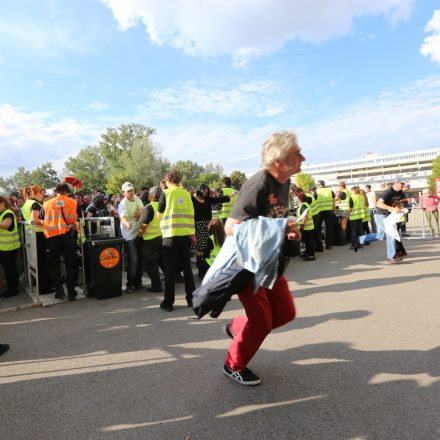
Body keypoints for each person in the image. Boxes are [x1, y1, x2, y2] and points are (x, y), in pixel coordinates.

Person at [221, 130, 303, 386]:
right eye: (296, 153)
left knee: (286, 313)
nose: (303, 156)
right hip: (249, 266)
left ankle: (238, 326)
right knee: (262, 322)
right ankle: (233, 364)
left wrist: (289, 229)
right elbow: (230, 227)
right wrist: (277, 229)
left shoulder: (284, 182)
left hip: (272, 263)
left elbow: (275, 217)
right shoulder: (259, 183)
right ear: (279, 162)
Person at [157, 169, 196, 311]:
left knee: (169, 270)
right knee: (187, 269)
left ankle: (168, 303)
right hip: (185, 235)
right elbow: (191, 212)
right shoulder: (186, 194)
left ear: (167, 180)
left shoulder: (166, 193)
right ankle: (192, 300)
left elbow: (159, 215)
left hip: (170, 236)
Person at [42, 182, 79, 300]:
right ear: (66, 191)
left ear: (55, 192)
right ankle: (71, 291)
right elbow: (74, 218)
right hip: (68, 236)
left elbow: (42, 219)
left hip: (52, 237)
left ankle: (59, 291)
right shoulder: (73, 202)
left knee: (54, 265)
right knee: (71, 264)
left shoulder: (46, 204)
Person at [192, 183, 230, 279]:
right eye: (204, 191)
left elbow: (218, 199)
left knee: (207, 248)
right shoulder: (192, 200)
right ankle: (201, 269)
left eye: (207, 192)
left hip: (207, 226)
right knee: (200, 249)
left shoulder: (208, 200)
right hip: (197, 226)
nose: (205, 193)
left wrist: (230, 196)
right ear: (199, 190)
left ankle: (205, 269)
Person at [21, 185, 51, 294]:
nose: (42, 194)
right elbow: (36, 220)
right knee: (42, 262)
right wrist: (49, 222)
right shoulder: (35, 204)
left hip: (31, 235)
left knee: (36, 262)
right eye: (41, 192)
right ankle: (44, 288)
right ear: (35, 193)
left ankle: (39, 285)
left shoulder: (26, 204)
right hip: (38, 234)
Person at [118, 182, 144, 293]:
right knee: (133, 260)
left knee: (141, 260)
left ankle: (138, 283)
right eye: (128, 191)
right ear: (123, 192)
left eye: (132, 190)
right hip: (129, 235)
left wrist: (139, 215)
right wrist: (127, 223)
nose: (131, 193)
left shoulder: (138, 200)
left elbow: (142, 212)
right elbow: (122, 217)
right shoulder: (122, 203)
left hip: (139, 233)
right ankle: (130, 284)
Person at [375, 177, 408, 264]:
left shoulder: (401, 192)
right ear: (396, 183)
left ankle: (361, 239)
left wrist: (400, 209)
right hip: (381, 214)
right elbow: (378, 203)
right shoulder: (388, 191)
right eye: (402, 183)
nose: (403, 185)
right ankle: (391, 257)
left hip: (390, 215)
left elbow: (398, 202)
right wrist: (391, 209)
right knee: (391, 234)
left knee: (380, 236)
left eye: (404, 183)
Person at [139, 186, 163, 292]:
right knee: (159, 262)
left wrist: (139, 235)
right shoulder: (164, 206)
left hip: (150, 239)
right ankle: (169, 281)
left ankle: (157, 286)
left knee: (149, 264)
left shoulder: (149, 207)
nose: (148, 196)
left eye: (149, 194)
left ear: (153, 195)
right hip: (161, 237)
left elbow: (144, 225)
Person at [0, 195, 21, 298]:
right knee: (9, 269)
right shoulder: (2, 213)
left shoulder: (8, 213)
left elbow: (5, 225)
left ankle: (13, 290)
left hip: (9, 247)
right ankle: (12, 288)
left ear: (3, 203)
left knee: (10, 270)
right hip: (4, 247)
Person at [316, 180, 335, 249]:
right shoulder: (330, 190)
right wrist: (333, 210)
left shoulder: (317, 191)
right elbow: (333, 201)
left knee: (318, 228)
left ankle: (319, 245)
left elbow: (314, 201)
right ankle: (328, 245)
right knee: (329, 228)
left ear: (319, 185)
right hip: (329, 211)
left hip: (319, 212)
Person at [297, 191, 315, 261]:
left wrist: (302, 225)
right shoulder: (305, 204)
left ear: (299, 199)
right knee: (307, 241)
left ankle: (311, 255)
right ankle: (307, 252)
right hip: (308, 227)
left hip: (307, 227)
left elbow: (305, 216)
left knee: (309, 242)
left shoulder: (304, 205)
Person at [348, 186, 364, 252]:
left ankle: (354, 245)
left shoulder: (352, 197)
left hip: (353, 216)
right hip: (360, 215)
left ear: (353, 191)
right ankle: (360, 244)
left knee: (353, 232)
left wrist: (347, 216)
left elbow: (351, 208)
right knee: (360, 231)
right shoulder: (361, 197)